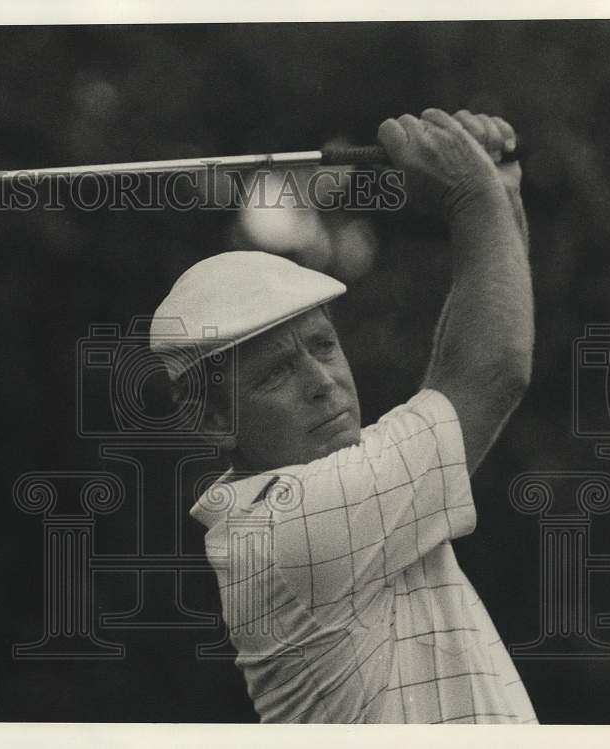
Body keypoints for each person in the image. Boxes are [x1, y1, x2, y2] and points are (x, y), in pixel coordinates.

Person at [149, 108, 536, 723]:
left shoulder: (342, 495)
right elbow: (492, 371)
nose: (322, 383)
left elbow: (458, 377)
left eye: (324, 346)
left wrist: (500, 199)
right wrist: (470, 193)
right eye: (276, 373)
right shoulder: (288, 528)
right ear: (211, 420)